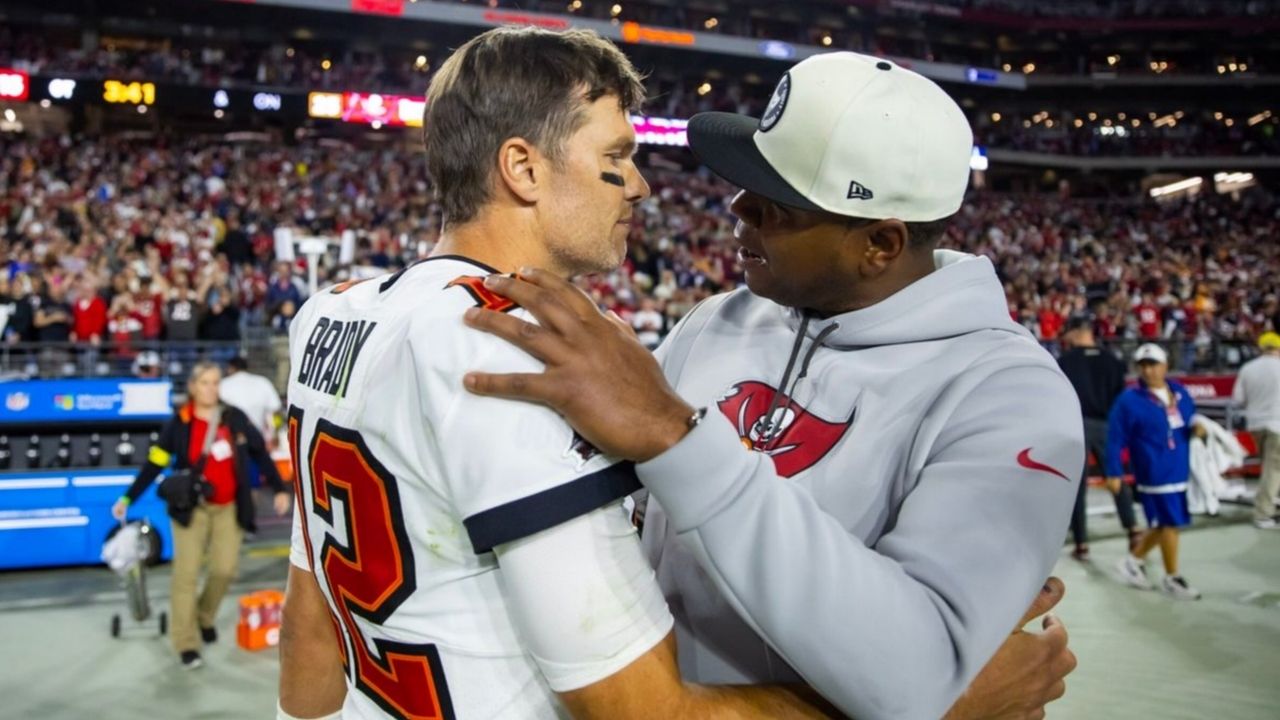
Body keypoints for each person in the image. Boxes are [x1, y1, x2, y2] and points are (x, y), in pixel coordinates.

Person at [278, 29, 1072, 720]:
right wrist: (946, 707)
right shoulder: (688, 326)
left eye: (776, 204)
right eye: (616, 158)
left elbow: (310, 633)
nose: (733, 210)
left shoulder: (1009, 397)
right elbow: (646, 705)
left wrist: (923, 688)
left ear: (881, 243)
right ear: (521, 168)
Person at [112, 361, 292, 669]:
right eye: (205, 383)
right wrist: (128, 497)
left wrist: (279, 488)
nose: (212, 388)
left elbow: (260, 451)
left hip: (229, 508)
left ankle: (204, 616)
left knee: (224, 570)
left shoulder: (233, 417)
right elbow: (154, 463)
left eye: (215, 382)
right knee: (186, 575)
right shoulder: (179, 423)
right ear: (193, 387)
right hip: (191, 510)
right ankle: (186, 643)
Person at [1107, 343, 1204, 600]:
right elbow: (1115, 438)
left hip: (1179, 467)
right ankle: (1172, 577)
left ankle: (1132, 560)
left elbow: (1189, 418)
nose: (1148, 371)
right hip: (1153, 471)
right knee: (1170, 523)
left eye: (1153, 364)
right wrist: (1113, 471)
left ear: (1165, 366)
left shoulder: (1179, 392)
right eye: (1143, 366)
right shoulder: (1129, 400)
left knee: (1163, 524)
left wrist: (1197, 428)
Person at [1058, 315, 1139, 559]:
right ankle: (1133, 529)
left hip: (1077, 426)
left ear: (1075, 332)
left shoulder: (1065, 361)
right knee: (1115, 478)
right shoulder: (1112, 361)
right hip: (1107, 426)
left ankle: (1081, 544)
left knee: (1076, 488)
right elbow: (1121, 398)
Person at [1232, 331, 1280, 529]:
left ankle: (1271, 503)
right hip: (1277, 424)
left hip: (1256, 426)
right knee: (1273, 469)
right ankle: (1263, 514)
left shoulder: (1248, 368)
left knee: (1270, 468)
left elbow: (1238, 399)